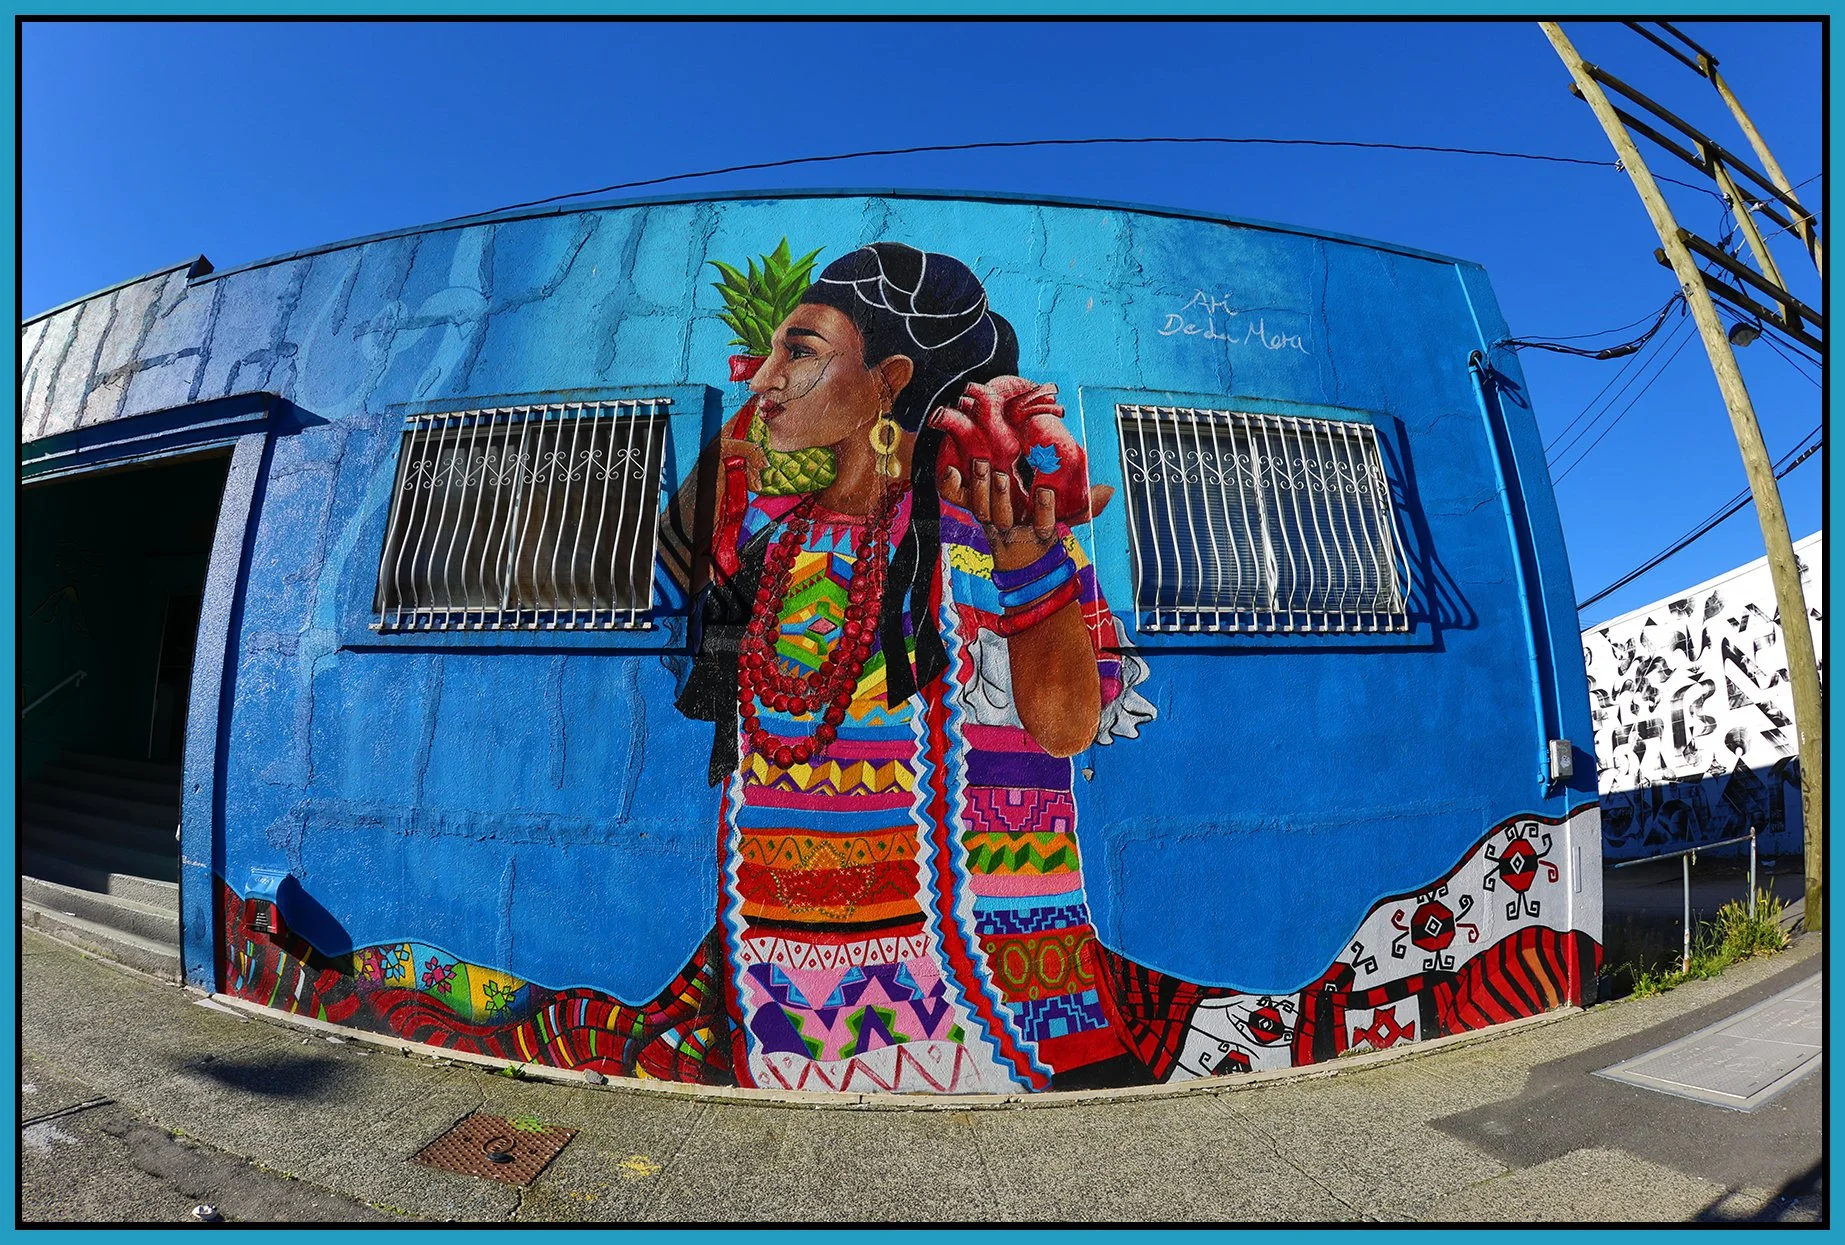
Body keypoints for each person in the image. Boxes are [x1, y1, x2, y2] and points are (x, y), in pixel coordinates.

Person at [656, 242, 1163, 1093]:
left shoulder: (998, 534)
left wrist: (1033, 570)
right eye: (770, 350)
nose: (762, 377)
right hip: (773, 1000)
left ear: (891, 378)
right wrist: (749, 428)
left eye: (802, 351)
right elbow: (670, 564)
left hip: (1000, 998)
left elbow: (1068, 726)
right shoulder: (772, 539)